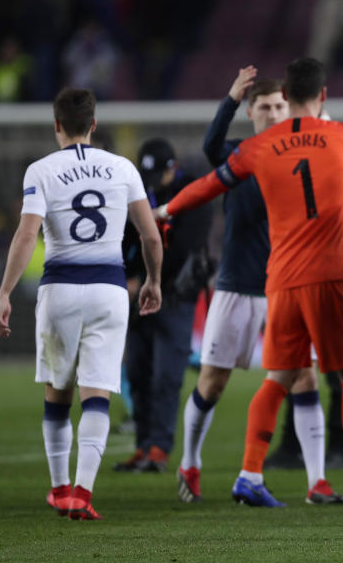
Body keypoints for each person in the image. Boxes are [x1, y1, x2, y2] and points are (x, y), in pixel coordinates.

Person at [156, 57, 343, 506]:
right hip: (333, 273)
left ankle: (249, 473)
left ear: (288, 98)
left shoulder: (258, 149)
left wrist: (165, 211)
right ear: (322, 96)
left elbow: (207, 185)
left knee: (278, 378)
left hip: (280, 279)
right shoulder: (342, 135)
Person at [0, 88, 163, 520]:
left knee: (57, 394)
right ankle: (84, 493)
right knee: (97, 396)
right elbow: (150, 235)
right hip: (109, 290)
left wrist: (5, 293)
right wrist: (153, 280)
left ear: (56, 125)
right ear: (94, 124)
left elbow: (27, 234)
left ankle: (60, 488)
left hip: (60, 291)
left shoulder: (41, 170)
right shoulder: (122, 168)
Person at [176, 68, 343, 505]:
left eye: (279, 106)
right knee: (213, 382)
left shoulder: (299, 151)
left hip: (288, 284)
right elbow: (211, 148)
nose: (272, 113)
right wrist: (230, 97)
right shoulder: (240, 153)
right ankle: (190, 462)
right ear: (251, 112)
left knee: (305, 378)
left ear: (289, 108)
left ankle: (317, 482)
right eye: (264, 107)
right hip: (240, 284)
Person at [115, 138, 212, 473]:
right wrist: (129, 278)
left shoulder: (194, 195)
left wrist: (145, 280)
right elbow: (126, 238)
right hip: (141, 296)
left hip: (175, 297)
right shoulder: (140, 190)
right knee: (138, 371)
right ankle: (143, 446)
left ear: (174, 168)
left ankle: (159, 447)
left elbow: (183, 248)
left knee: (166, 377)